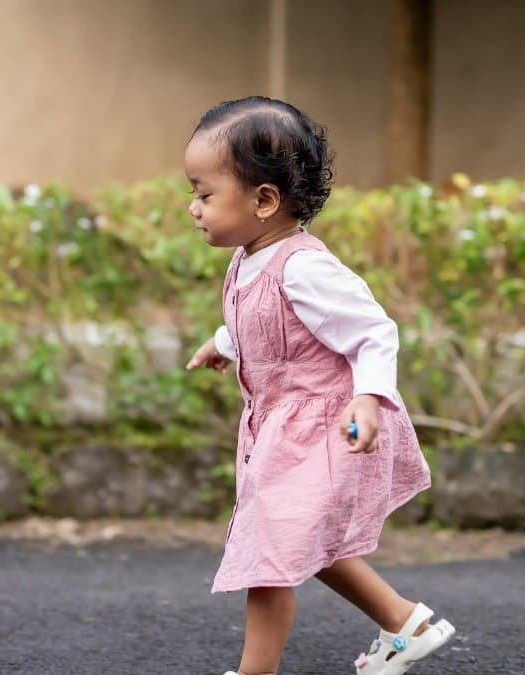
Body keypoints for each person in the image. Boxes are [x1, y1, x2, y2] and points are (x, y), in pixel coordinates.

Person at [183, 96, 455, 675]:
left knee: (269, 555)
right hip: (281, 428)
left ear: (264, 201)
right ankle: (407, 623)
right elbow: (260, 319)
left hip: (324, 428)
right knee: (300, 543)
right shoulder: (248, 257)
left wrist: (369, 396)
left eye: (205, 194)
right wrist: (225, 342)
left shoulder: (304, 266)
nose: (194, 208)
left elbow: (374, 332)